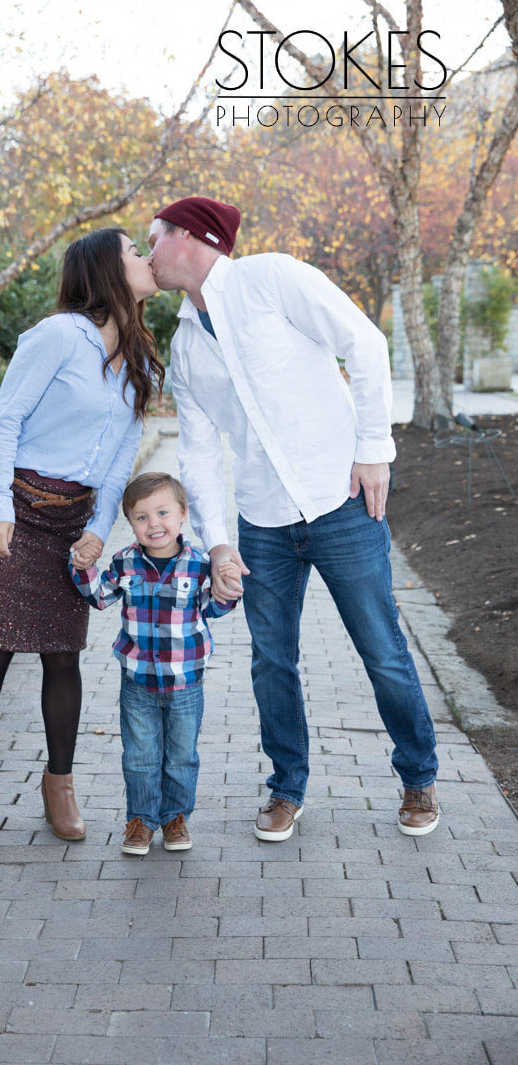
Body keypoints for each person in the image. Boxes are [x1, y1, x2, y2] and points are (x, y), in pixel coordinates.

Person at [147, 195, 440, 842]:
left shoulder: (272, 279)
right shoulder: (185, 343)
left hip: (340, 499)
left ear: (191, 238)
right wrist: (218, 544)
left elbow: (363, 342)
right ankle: (287, 788)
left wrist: (373, 450)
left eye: (154, 237)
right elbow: (196, 452)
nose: (148, 253)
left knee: (382, 650)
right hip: (262, 522)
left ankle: (418, 777)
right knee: (270, 661)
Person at [0, 228, 162, 846]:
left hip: (73, 521)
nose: (147, 259)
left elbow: (122, 458)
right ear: (105, 269)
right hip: (12, 509)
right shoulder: (57, 336)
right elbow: (5, 418)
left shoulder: (142, 357)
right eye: (133, 251)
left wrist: (100, 529)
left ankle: (59, 784)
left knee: (63, 654)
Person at [69, 471, 239, 855]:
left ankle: (175, 819)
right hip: (138, 682)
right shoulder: (125, 563)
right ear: (130, 523)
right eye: (142, 517)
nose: (154, 524)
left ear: (182, 514)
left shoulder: (198, 565)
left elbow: (213, 606)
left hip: (185, 683)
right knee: (141, 756)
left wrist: (229, 588)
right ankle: (141, 821)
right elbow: (99, 596)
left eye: (162, 512)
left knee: (181, 757)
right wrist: (81, 565)